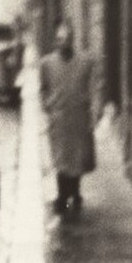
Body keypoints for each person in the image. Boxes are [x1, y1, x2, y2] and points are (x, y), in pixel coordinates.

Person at [40, 21, 95, 217]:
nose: (64, 42)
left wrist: (91, 114)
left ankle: (75, 193)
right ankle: (63, 195)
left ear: (73, 40)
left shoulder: (85, 62)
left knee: (77, 158)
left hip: (78, 117)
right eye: (60, 39)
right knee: (61, 159)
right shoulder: (46, 64)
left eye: (68, 38)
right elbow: (43, 89)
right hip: (59, 119)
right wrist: (48, 106)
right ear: (55, 41)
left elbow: (92, 88)